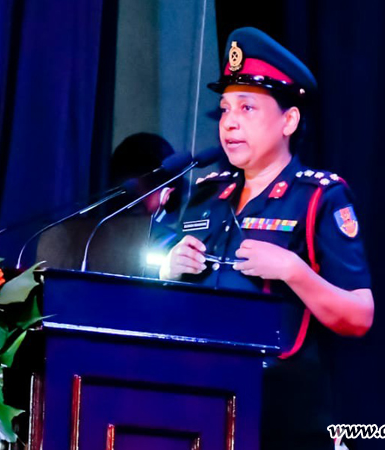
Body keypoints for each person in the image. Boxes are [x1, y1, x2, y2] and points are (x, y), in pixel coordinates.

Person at [158, 27, 374, 449]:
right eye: (224, 109)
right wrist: (168, 270)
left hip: (283, 418)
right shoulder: (206, 195)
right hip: (199, 406)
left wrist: (294, 271)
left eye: (247, 107)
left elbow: (360, 315)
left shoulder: (318, 197)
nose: (230, 122)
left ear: (288, 120)